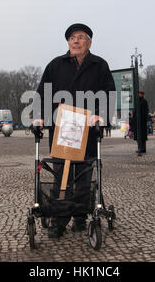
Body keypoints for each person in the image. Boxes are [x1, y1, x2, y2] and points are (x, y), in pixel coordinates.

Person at [32, 23, 116, 238]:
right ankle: (60, 220)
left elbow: (108, 93)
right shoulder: (56, 65)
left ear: (89, 42)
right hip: (62, 129)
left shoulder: (99, 65)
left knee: (84, 175)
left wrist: (101, 115)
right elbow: (42, 93)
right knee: (61, 175)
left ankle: (80, 216)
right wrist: (39, 116)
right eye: (72, 38)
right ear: (68, 43)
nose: (76, 41)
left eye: (80, 37)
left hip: (88, 130)